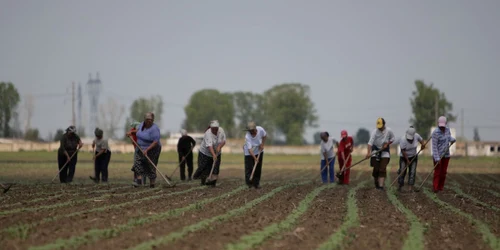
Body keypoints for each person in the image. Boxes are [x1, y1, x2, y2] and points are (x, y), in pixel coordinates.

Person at [131, 112, 162, 188]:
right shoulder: (142, 124)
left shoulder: (154, 129)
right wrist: (131, 132)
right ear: (144, 119)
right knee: (137, 163)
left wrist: (147, 149)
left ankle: (152, 184)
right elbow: (138, 132)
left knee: (150, 165)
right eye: (147, 119)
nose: (149, 121)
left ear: (153, 120)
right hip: (141, 147)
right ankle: (138, 181)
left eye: (151, 120)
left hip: (153, 149)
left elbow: (155, 142)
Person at [366, 118, 395, 190]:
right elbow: (370, 143)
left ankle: (381, 186)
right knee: (376, 169)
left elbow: (393, 138)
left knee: (382, 169)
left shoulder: (389, 131)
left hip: (385, 151)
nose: (380, 128)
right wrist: (368, 153)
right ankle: (376, 183)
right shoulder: (374, 132)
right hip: (375, 151)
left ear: (384, 124)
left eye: (381, 126)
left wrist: (387, 144)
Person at [193, 120, 222, 187]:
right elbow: (209, 146)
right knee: (203, 167)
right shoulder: (208, 134)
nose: (215, 130)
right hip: (205, 153)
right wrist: (214, 155)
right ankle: (198, 178)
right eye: (213, 128)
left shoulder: (221, 131)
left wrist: (219, 147)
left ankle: (212, 183)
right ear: (211, 128)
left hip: (216, 152)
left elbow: (223, 141)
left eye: (216, 128)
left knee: (215, 168)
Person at [431, 116, 456, 193]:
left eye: (443, 126)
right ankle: (435, 188)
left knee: (443, 173)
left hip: (446, 155)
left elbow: (448, 138)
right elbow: (434, 147)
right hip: (438, 155)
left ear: (446, 124)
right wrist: (437, 158)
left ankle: (440, 188)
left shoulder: (448, 130)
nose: (442, 127)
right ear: (438, 124)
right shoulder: (435, 133)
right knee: (437, 172)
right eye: (440, 126)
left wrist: (453, 139)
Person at [397, 126, 425, 192]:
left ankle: (410, 188)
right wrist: (407, 160)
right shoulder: (403, 139)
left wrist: (423, 145)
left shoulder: (417, 136)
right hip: (404, 157)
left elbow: (422, 141)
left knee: (412, 172)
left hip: (414, 157)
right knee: (402, 171)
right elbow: (403, 151)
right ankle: (400, 186)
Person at [243, 121, 267, 189]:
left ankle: (256, 183)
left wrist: (262, 144)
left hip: (259, 150)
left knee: (258, 167)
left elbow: (264, 136)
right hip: (249, 152)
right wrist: (255, 158)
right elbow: (250, 150)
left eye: (252, 131)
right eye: (250, 131)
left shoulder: (260, 130)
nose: (251, 132)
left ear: (255, 129)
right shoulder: (247, 136)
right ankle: (249, 183)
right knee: (249, 167)